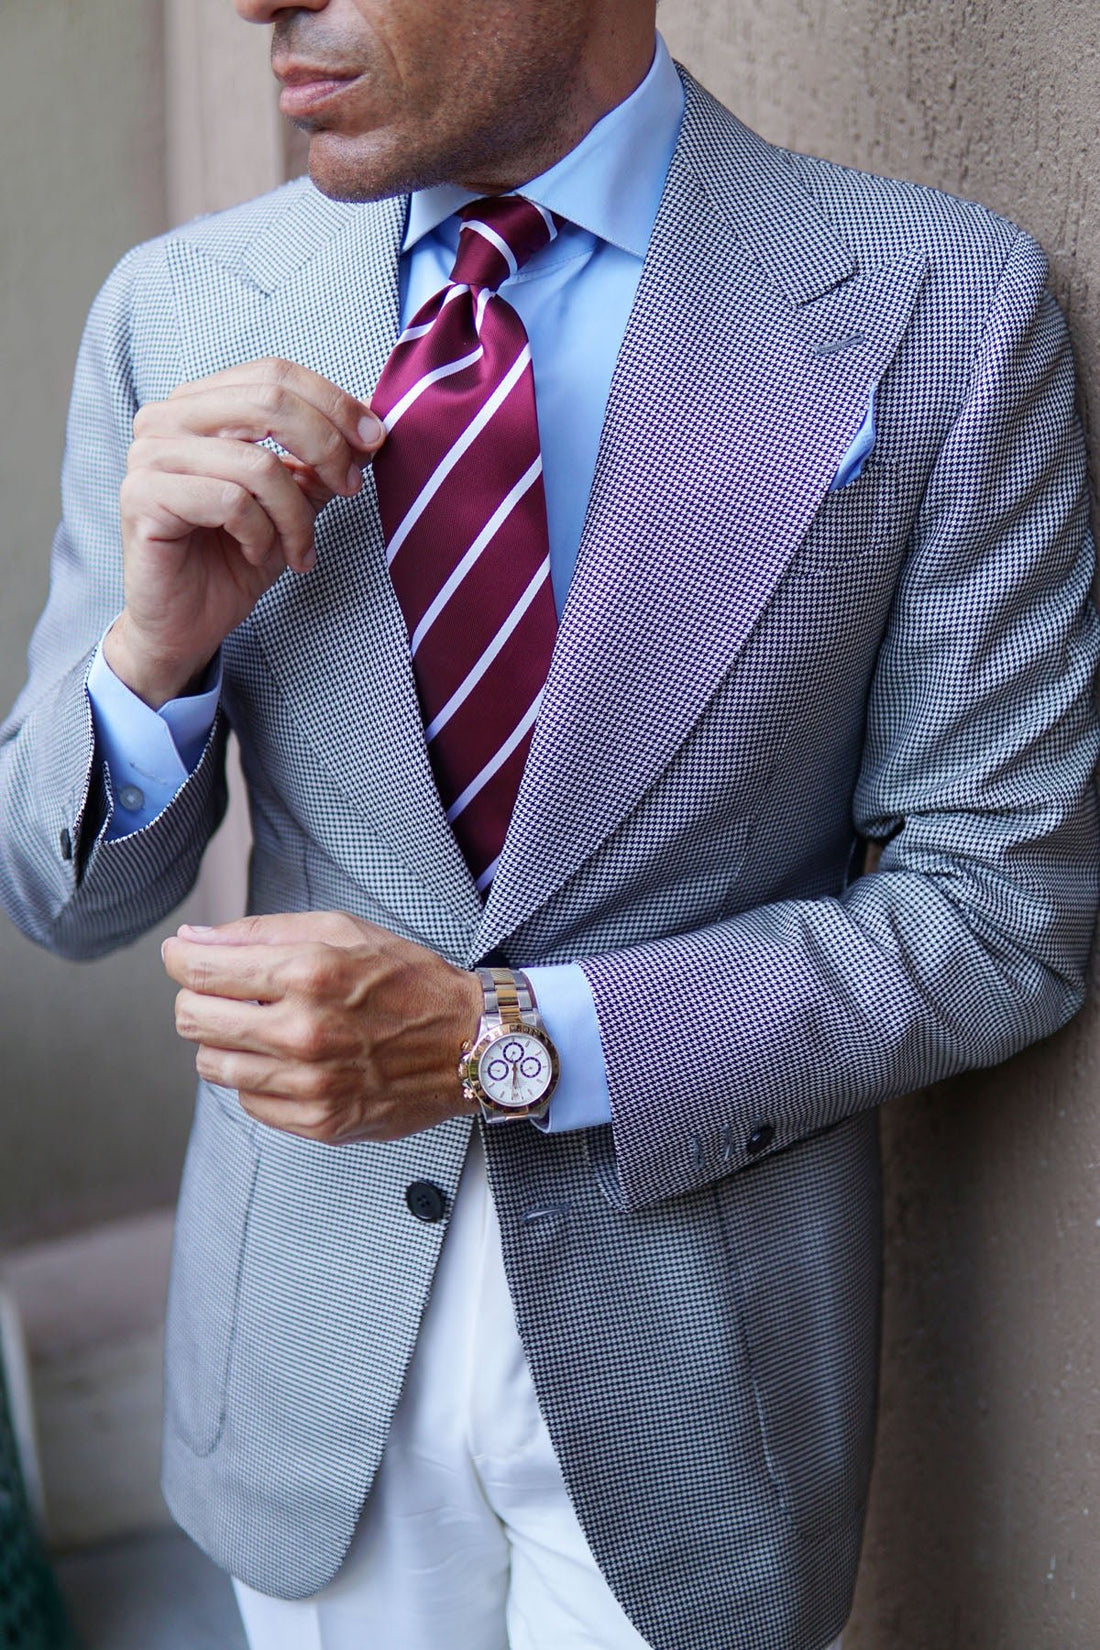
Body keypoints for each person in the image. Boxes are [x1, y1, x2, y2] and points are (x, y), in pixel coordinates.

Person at [1, 0, 1097, 1645]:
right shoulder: (179, 309)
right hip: (301, 1353)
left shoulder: (941, 302)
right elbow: (63, 900)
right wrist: (148, 662)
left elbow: (1003, 912)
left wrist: (505, 1039)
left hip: (707, 1378)